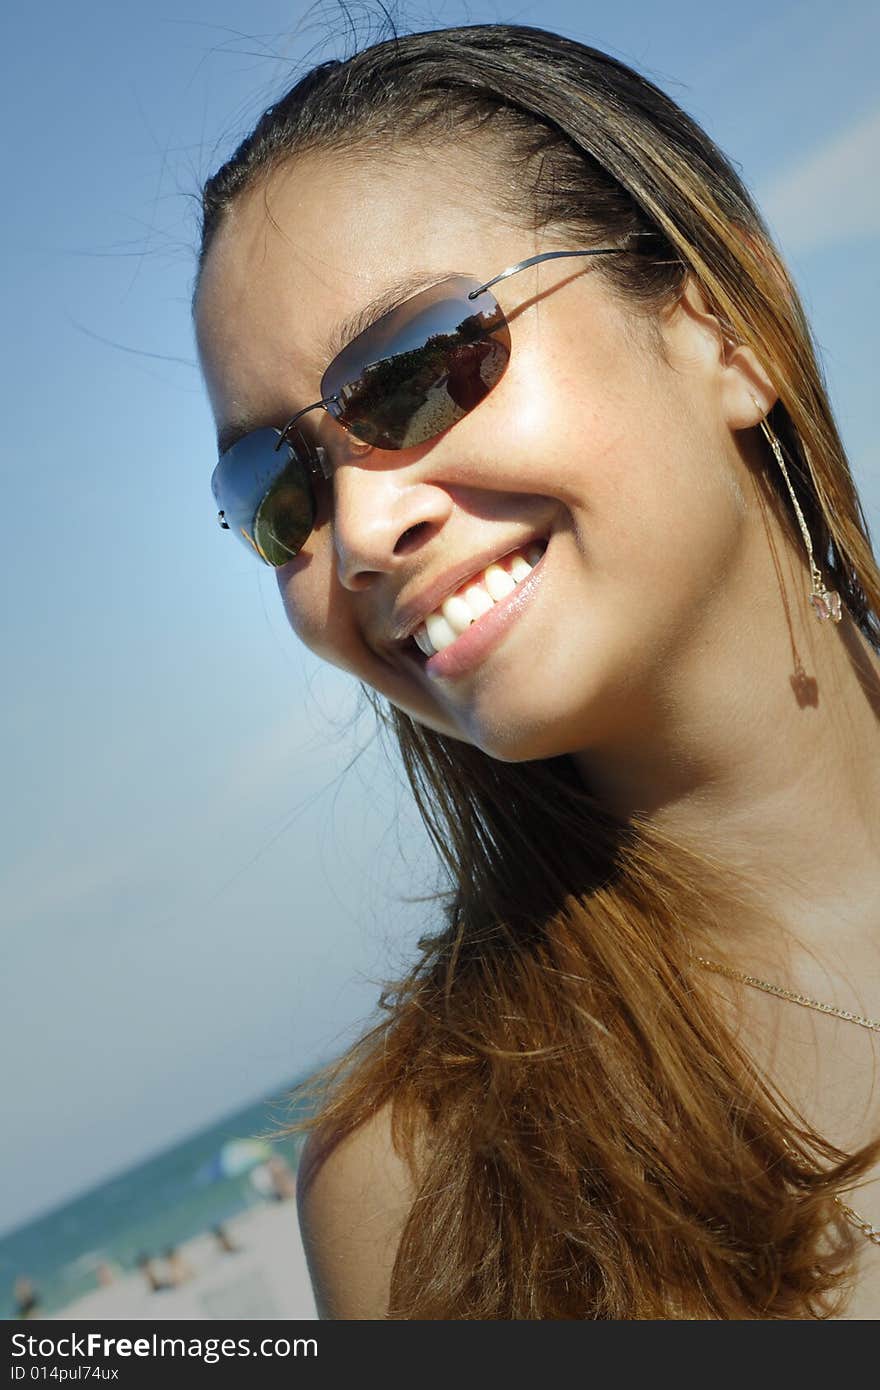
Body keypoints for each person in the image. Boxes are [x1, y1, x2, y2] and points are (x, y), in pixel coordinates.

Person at [192, 23, 880, 1319]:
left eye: (413, 369)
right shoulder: (411, 1188)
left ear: (723, 331)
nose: (360, 530)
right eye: (277, 488)